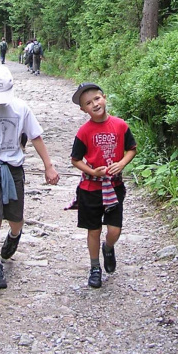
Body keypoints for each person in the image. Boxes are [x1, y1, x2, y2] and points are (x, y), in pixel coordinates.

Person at [0, 65, 59, 289]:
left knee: (15, 218)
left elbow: (36, 137)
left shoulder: (21, 109)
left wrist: (49, 166)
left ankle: (15, 235)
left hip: (13, 167)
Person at [70, 82, 137, 289]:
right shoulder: (84, 132)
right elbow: (76, 159)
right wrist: (92, 171)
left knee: (115, 229)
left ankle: (108, 247)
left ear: (104, 97)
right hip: (90, 189)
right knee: (93, 230)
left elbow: (131, 149)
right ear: (83, 109)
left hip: (114, 187)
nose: (95, 104)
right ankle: (94, 267)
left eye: (97, 99)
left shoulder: (120, 125)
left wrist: (121, 163)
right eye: (88, 103)